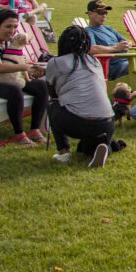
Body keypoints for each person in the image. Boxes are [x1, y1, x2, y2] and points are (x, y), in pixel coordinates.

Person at [45, 26, 116, 167]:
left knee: (52, 104)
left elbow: (53, 94)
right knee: (89, 146)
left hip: (77, 121)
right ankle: (103, 148)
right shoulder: (94, 61)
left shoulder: (55, 62)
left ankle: (64, 152)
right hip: (106, 121)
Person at [0, 9, 49, 145]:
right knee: (14, 91)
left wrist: (31, 67)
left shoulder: (7, 39)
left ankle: (35, 129)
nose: (12, 31)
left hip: (9, 78)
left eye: (15, 27)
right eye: (8, 26)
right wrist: (24, 67)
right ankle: (19, 134)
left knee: (41, 86)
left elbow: (17, 59)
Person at [84, 0, 136, 80]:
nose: (104, 15)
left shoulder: (108, 28)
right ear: (90, 14)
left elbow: (126, 40)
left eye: (105, 12)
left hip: (127, 61)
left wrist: (127, 44)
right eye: (100, 13)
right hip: (113, 67)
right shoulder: (88, 31)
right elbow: (92, 49)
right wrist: (116, 48)